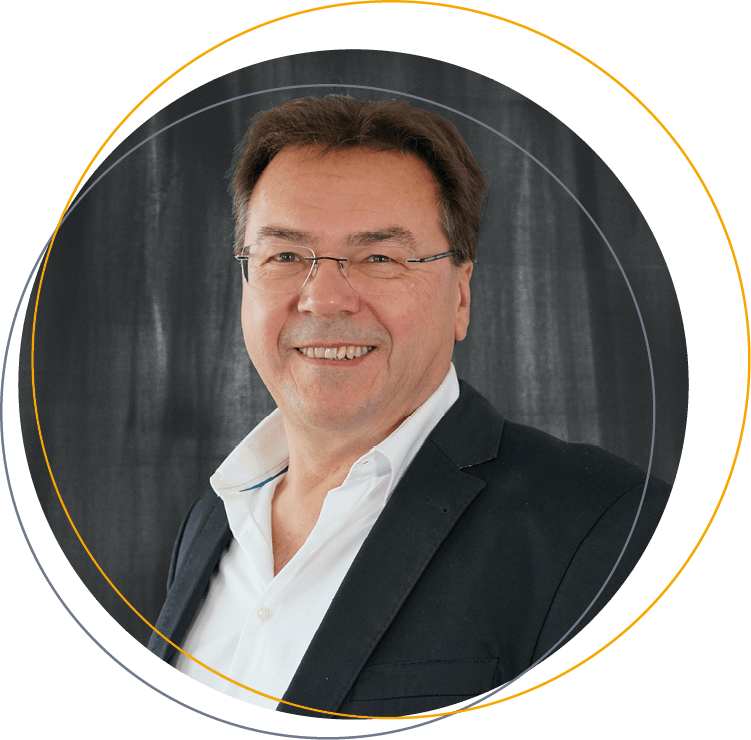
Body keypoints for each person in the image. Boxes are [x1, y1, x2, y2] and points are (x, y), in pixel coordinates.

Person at [148, 96, 671, 719]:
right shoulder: (212, 521)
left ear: (461, 297)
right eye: (285, 256)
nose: (324, 299)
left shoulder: (605, 527)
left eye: (380, 258)